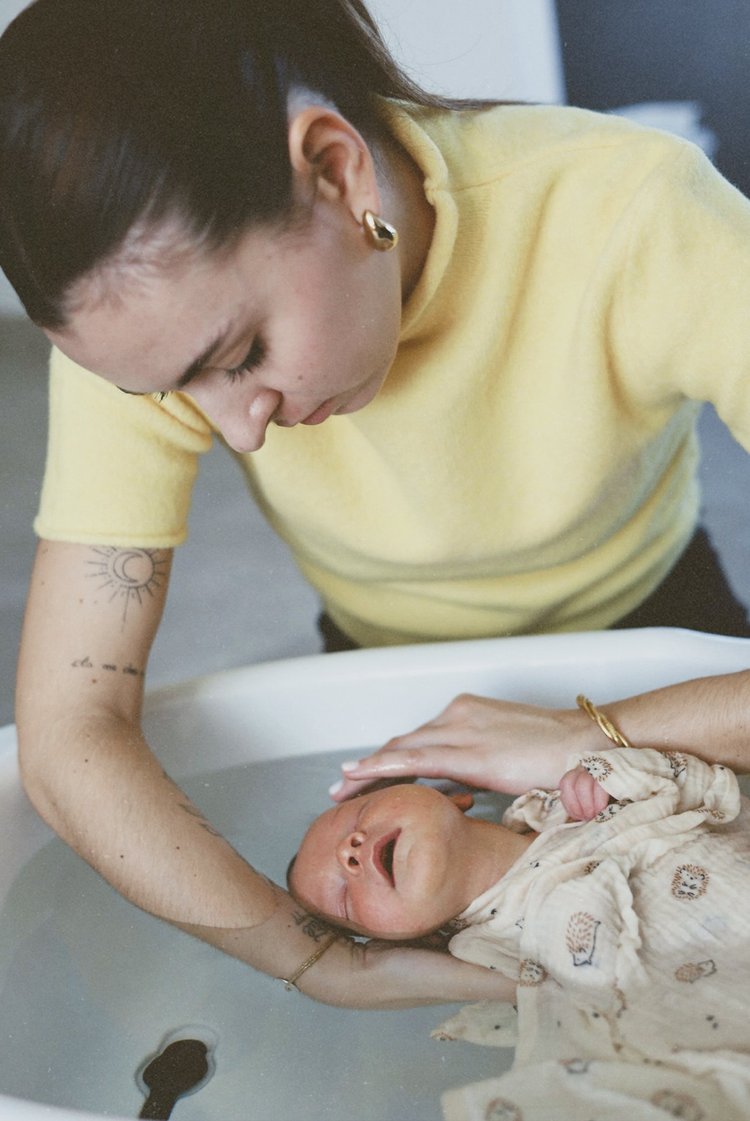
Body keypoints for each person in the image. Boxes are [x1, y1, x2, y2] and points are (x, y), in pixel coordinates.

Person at [4, 0, 750, 1005]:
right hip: (384, 696)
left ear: (337, 169)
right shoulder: (150, 331)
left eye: (241, 358)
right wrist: (316, 959)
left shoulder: (634, 216)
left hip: (665, 636)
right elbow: (67, 730)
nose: (237, 430)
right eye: (175, 392)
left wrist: (592, 733)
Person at [292, 745, 750, 1120]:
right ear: (402, 938)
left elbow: (711, 790)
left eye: (356, 818)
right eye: (344, 899)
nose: (349, 855)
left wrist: (616, 771)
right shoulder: (481, 957)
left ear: (453, 797)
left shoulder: (575, 804)